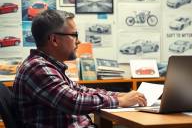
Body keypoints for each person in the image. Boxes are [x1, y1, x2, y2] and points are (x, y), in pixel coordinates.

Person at [13, 10, 147, 127]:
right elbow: (73, 101)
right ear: (54, 40)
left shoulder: (49, 66)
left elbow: (81, 90)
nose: (79, 41)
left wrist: (119, 95)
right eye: (74, 35)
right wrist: (120, 101)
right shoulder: (38, 67)